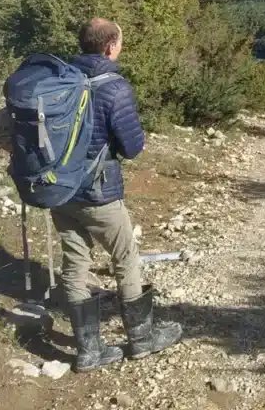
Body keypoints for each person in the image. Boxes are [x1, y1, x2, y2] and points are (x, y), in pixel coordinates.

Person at [52, 18, 182, 371]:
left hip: (60, 192)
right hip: (100, 192)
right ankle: (141, 339)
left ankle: (88, 351)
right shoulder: (114, 87)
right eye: (120, 44)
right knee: (125, 257)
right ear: (110, 47)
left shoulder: (58, 79)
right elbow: (132, 147)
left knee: (74, 263)